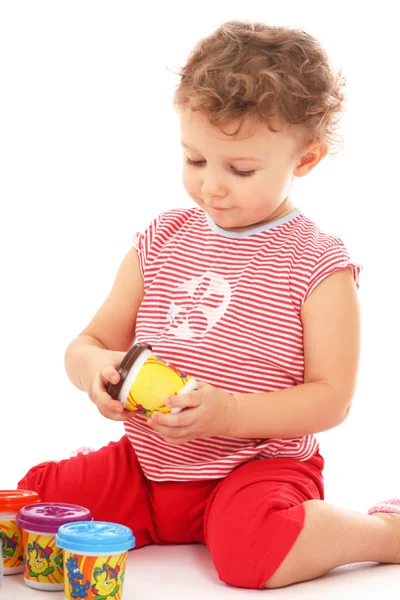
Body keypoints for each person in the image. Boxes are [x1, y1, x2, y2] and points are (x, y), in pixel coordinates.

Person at [18, 20, 400, 590]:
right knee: (33, 502)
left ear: (307, 159)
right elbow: (89, 342)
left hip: (255, 471)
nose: (211, 187)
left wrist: (230, 416)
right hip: (148, 469)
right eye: (195, 160)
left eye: (240, 169)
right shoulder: (163, 239)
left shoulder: (318, 263)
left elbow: (331, 399)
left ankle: (380, 534)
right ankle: (145, 515)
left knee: (253, 556)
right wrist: (93, 374)